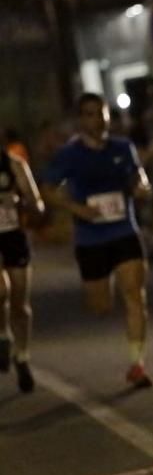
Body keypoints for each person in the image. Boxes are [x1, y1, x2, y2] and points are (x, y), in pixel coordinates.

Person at [41, 93, 153, 388]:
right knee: (100, 306)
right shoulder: (70, 154)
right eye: (90, 114)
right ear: (81, 119)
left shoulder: (122, 147)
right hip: (91, 238)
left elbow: (138, 177)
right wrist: (77, 209)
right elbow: (47, 190)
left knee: (135, 297)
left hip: (124, 230)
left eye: (102, 113)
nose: (98, 119)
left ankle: (137, 364)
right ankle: (107, 286)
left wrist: (141, 187)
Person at [0, 148, 44, 392]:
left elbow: (37, 204)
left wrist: (22, 202)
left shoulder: (14, 165)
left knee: (20, 302)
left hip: (13, 237)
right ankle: (3, 334)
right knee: (0, 290)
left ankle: (22, 356)